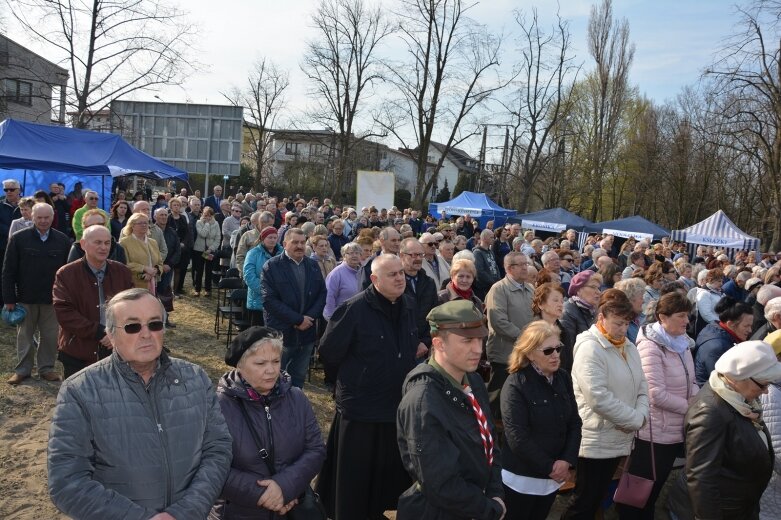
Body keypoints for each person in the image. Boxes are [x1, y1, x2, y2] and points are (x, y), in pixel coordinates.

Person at [47, 288, 233, 518]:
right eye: (133, 326)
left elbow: (218, 449)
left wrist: (186, 511)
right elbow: (67, 481)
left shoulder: (195, 378)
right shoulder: (79, 390)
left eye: (154, 324)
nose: (146, 334)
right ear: (111, 335)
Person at [317, 254, 416, 520]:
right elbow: (329, 351)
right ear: (374, 279)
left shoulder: (407, 305)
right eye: (392, 274)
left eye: (401, 273)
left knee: (388, 476)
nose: (400, 278)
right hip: (361, 408)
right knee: (355, 479)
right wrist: (355, 380)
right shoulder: (354, 308)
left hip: (395, 405)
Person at [396, 300, 506, 520]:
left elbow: (490, 442)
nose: (478, 349)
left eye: (480, 339)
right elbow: (440, 483)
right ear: (439, 344)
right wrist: (489, 509)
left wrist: (495, 492)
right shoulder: (423, 400)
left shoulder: (473, 381)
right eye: (467, 341)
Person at [211, 327, 326, 520]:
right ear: (240, 365)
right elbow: (211, 466)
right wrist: (265, 494)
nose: (271, 370)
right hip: (236, 513)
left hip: (291, 509)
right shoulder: (217, 407)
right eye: (260, 363)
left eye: (276, 361)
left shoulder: (296, 398)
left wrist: (285, 487)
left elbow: (315, 449)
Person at [562, 289, 649, 520]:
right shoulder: (590, 347)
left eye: (626, 323)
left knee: (597, 497)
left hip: (619, 435)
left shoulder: (628, 345)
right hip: (596, 438)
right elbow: (597, 397)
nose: (622, 329)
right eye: (617, 323)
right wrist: (634, 419)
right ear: (601, 318)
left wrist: (640, 416)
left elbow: (642, 385)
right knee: (584, 500)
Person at [669, 340, 781, 520]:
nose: (766, 391)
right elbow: (702, 479)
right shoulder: (710, 413)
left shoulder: (739, 398)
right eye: (762, 384)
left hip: (738, 507)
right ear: (740, 377)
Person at [615, 291, 699, 520]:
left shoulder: (682, 343)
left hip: (674, 429)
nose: (687, 321)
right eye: (681, 315)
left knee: (655, 489)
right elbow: (655, 394)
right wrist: (691, 408)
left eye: (687, 315)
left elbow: (691, 380)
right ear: (662, 317)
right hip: (654, 432)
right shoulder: (650, 346)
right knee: (641, 491)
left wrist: (696, 399)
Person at [501, 321, 582, 520]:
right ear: (529, 353)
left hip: (552, 478)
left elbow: (574, 423)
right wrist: (550, 467)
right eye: (547, 351)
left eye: (558, 348)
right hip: (522, 480)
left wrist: (566, 460)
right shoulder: (516, 384)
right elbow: (517, 437)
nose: (555, 355)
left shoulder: (562, 377)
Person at [53, 226, 134, 379]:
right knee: (79, 397)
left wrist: (117, 332)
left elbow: (132, 308)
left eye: (107, 243)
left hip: (117, 349)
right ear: (83, 244)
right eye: (97, 242)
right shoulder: (66, 274)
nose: (103, 247)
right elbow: (64, 312)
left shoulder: (122, 272)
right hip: (78, 350)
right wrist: (100, 332)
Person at [3, 203, 70, 384]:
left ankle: (46, 369)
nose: (43, 221)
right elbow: (8, 271)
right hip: (25, 298)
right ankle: (23, 370)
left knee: (50, 336)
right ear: (32, 217)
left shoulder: (63, 240)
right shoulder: (18, 239)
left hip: (52, 299)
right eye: (39, 217)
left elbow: (67, 273)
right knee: (24, 336)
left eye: (46, 217)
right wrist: (9, 299)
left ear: (52, 217)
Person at [261, 228, 326, 389]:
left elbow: (322, 294)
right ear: (284, 244)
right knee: (274, 376)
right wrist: (297, 320)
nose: (300, 246)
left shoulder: (312, 265)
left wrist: (308, 318)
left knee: (298, 377)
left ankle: (293, 407)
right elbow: (269, 300)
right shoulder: (272, 266)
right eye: (295, 242)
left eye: (303, 242)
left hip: (306, 334)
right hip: (282, 333)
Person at [485, 251, 535, 419]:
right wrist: (526, 338)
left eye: (525, 264)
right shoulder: (498, 289)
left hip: (525, 353)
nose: (525, 268)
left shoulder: (530, 288)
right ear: (508, 268)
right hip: (504, 355)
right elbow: (499, 322)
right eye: (520, 265)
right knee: (498, 398)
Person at [694, 298, 754, 386]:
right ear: (730, 324)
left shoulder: (716, 328)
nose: (750, 330)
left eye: (751, 326)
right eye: (746, 326)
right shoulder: (718, 347)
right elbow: (722, 383)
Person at [400, 238, 437, 359]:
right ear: (401, 255)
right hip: (401, 348)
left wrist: (425, 342)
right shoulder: (395, 283)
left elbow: (434, 315)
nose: (418, 259)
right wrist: (415, 343)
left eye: (421, 254)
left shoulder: (429, 283)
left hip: (425, 348)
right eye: (414, 255)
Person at [560, 270, 602, 373]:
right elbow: (568, 351)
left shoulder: (595, 310)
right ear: (578, 289)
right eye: (593, 287)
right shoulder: (568, 311)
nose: (598, 292)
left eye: (598, 288)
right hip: (579, 369)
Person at [244, 227, 283, 327]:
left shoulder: (283, 253)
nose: (273, 240)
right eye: (270, 237)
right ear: (263, 238)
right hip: (258, 301)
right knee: (258, 336)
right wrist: (266, 291)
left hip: (278, 302)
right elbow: (249, 276)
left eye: (275, 237)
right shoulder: (253, 253)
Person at [119, 213, 163, 293]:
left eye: (146, 223)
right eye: (140, 223)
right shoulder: (124, 242)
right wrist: (144, 269)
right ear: (132, 225)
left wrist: (154, 271)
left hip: (152, 283)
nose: (144, 225)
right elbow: (124, 264)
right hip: (133, 285)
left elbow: (160, 263)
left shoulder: (153, 242)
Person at [152, 208, 181, 327]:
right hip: (154, 268)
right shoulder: (150, 231)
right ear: (155, 217)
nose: (164, 217)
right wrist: (159, 265)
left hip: (168, 268)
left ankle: (165, 319)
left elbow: (177, 250)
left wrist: (169, 264)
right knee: (153, 294)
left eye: (165, 215)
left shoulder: (172, 232)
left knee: (165, 294)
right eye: (161, 215)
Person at [323, 242, 363, 321]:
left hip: (359, 318)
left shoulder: (362, 272)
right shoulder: (336, 274)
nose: (354, 255)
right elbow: (329, 297)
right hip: (341, 319)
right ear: (344, 256)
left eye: (357, 253)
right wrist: (331, 319)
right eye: (351, 253)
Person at [192, 206, 221, 297]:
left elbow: (218, 238)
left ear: (212, 216)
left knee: (209, 271)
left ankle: (208, 289)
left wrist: (211, 248)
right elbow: (203, 234)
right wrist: (207, 224)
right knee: (199, 271)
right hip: (199, 250)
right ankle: (197, 289)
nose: (207, 217)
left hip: (209, 251)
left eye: (209, 215)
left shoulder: (216, 224)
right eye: (205, 215)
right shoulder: (199, 222)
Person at [472, 229, 501, 301]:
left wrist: (499, 280)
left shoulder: (490, 252)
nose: (493, 239)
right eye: (491, 237)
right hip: (484, 288)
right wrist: (493, 282)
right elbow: (479, 271)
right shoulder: (477, 252)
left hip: (493, 285)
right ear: (484, 238)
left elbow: (495, 266)